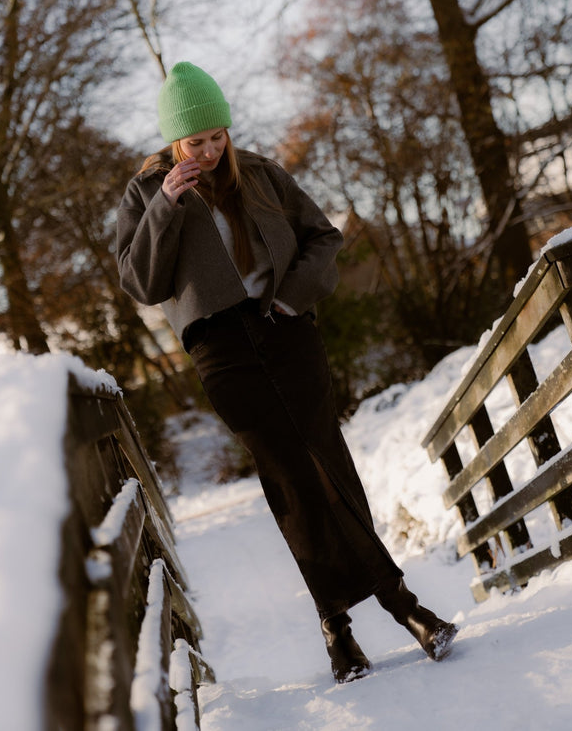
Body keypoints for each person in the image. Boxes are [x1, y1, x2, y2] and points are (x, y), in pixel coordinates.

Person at [116, 61, 458, 683]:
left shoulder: (264, 175)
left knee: (326, 460)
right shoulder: (146, 195)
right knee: (289, 478)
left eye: (218, 134)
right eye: (198, 141)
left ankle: (389, 614)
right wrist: (166, 204)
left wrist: (292, 297)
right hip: (221, 353)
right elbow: (141, 282)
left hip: (286, 331)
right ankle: (351, 624)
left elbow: (324, 238)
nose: (213, 150)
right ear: (174, 142)